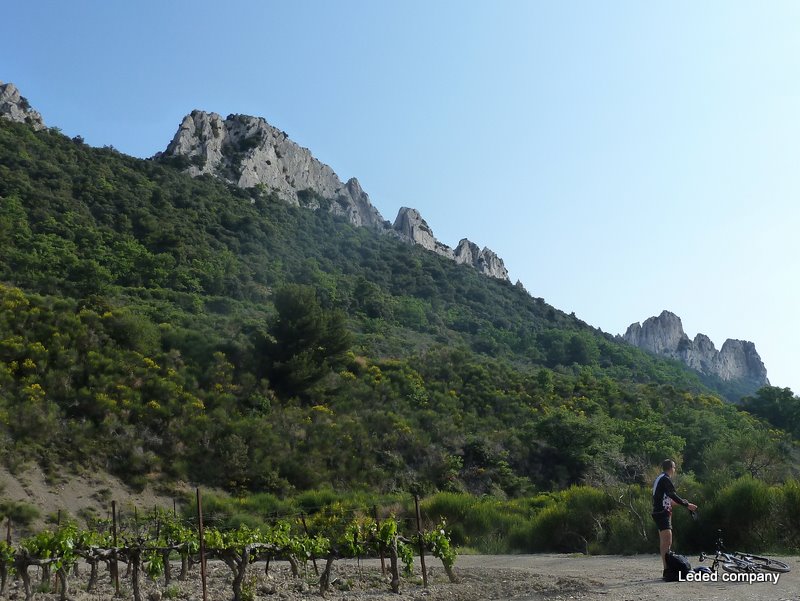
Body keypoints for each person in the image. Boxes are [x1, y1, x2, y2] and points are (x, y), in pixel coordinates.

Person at [652, 459, 697, 569]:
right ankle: (667, 569)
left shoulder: (660, 478)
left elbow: (665, 499)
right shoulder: (665, 479)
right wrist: (687, 505)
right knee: (667, 541)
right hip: (662, 513)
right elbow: (671, 494)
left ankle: (667, 568)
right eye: (674, 467)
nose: (675, 470)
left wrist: (684, 503)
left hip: (660, 512)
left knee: (664, 542)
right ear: (671, 468)